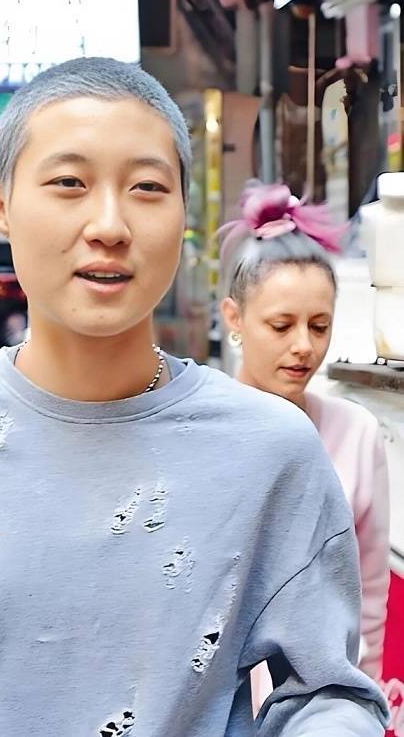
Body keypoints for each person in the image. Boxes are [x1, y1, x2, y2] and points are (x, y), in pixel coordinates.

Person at [0, 58, 389, 736]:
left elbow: (330, 691)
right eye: (69, 183)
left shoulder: (271, 449)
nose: (109, 224)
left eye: (146, 187)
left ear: (183, 211)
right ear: (1, 203)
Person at [219, 181, 390, 710]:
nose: (303, 347)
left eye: (319, 326)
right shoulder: (198, 428)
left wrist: (365, 697)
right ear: (234, 318)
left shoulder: (357, 432)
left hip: (322, 708)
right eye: (281, 325)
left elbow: (369, 590)